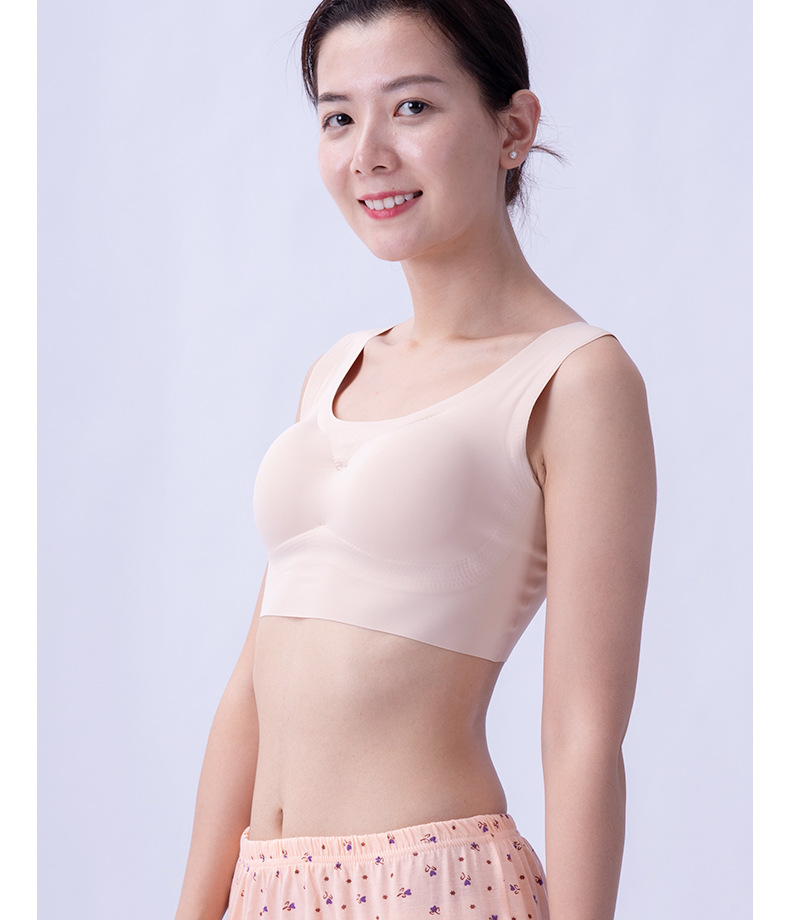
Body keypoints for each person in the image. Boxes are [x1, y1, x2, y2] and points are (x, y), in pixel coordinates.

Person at [174, 1, 656, 918]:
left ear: (512, 129)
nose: (368, 154)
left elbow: (582, 733)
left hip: (430, 883)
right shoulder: (336, 371)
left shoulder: (577, 379)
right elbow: (251, 687)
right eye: (338, 116)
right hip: (267, 884)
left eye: (412, 107)